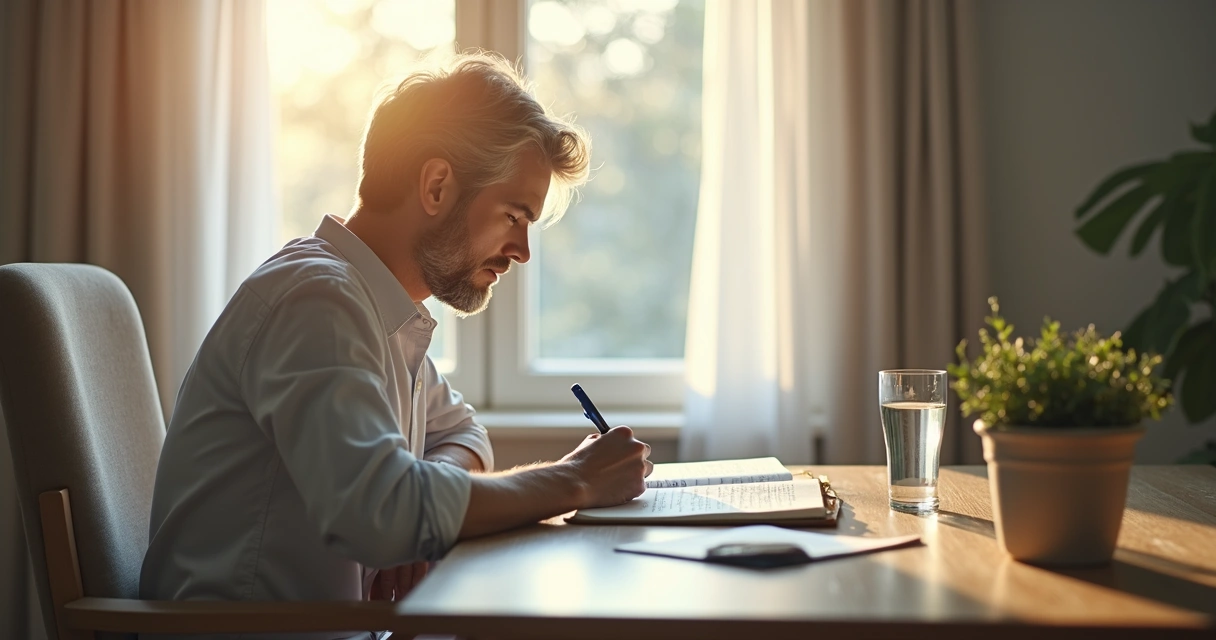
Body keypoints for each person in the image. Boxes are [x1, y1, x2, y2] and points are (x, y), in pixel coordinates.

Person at [139, 52, 652, 629]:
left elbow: (462, 433)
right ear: (436, 185)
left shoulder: (379, 310)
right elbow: (380, 514)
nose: (522, 251)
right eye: (513, 215)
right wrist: (575, 479)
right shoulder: (317, 303)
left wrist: (421, 517)